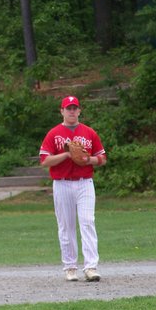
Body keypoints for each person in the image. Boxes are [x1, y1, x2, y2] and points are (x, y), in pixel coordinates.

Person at [39, 95, 107, 282]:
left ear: (79, 111)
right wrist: (67, 154)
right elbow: (45, 161)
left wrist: (88, 160)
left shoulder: (89, 132)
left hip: (85, 182)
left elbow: (102, 158)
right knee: (66, 226)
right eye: (68, 108)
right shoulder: (54, 134)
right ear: (62, 111)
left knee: (87, 222)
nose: (71, 111)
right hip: (62, 183)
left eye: (74, 108)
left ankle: (91, 267)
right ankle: (70, 268)